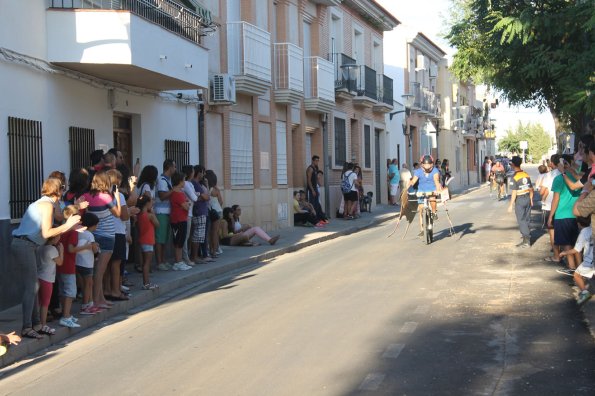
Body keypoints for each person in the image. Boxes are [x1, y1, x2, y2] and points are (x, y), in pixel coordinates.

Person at [11, 178, 81, 339]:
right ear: (59, 191)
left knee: (34, 286)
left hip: (27, 245)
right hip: (25, 245)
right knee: (32, 287)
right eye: (63, 189)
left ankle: (36, 324)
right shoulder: (48, 205)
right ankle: (27, 327)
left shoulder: (42, 203)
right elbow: (47, 233)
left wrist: (69, 221)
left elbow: (54, 222)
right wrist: (68, 225)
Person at [82, 171, 121, 310]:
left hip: (93, 234)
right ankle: (97, 300)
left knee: (95, 269)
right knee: (100, 271)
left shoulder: (86, 196)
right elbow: (118, 214)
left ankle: (100, 298)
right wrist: (117, 197)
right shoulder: (106, 197)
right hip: (108, 236)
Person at [548, 154, 581, 270]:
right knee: (576, 243)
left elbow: (555, 199)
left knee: (567, 244)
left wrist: (551, 216)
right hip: (576, 214)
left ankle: (572, 267)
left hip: (562, 215)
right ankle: (579, 268)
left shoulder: (559, 179)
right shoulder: (578, 178)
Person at [559, 216, 593, 305]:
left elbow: (576, 250)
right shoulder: (592, 228)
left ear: (578, 224)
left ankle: (585, 293)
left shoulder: (583, 233)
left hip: (589, 260)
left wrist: (564, 253)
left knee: (576, 275)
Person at [58, 205, 81, 328]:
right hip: (69, 265)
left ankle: (65, 314)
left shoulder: (61, 230)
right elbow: (71, 249)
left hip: (60, 264)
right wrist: (85, 247)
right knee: (71, 291)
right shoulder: (73, 232)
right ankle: (66, 316)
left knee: (63, 290)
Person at [407, 155, 443, 235]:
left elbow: (436, 181)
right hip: (421, 191)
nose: (427, 168)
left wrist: (437, 190)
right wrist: (408, 185)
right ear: (422, 164)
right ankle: (422, 229)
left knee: (432, 199)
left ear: (432, 164)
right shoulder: (418, 171)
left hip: (432, 190)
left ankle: (434, 213)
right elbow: (413, 180)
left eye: (429, 166)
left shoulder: (435, 171)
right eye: (425, 166)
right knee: (421, 210)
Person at [37, 235, 64, 336]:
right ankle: (43, 324)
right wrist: (61, 251)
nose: (59, 239)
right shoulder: (52, 249)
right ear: (53, 238)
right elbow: (60, 262)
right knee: (45, 303)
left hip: (39, 276)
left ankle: (37, 323)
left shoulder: (40, 247)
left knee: (39, 302)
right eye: (58, 236)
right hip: (47, 278)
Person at [75, 213, 101, 315]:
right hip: (87, 263)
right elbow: (94, 249)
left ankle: (90, 304)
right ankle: (85, 306)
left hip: (78, 262)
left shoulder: (78, 232)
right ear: (92, 225)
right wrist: (97, 249)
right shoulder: (89, 235)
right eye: (96, 225)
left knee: (84, 284)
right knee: (88, 284)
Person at [154, 159, 176, 271]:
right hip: (161, 212)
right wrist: (174, 191)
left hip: (167, 212)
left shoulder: (168, 180)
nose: (175, 169)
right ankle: (159, 262)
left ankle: (163, 260)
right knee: (160, 239)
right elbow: (162, 196)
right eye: (174, 167)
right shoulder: (162, 180)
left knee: (164, 239)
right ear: (169, 167)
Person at [508, 156, 534, 248]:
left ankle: (527, 240)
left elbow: (514, 192)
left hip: (520, 200)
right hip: (527, 198)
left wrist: (511, 205)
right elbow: (531, 188)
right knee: (527, 219)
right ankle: (525, 238)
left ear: (513, 164)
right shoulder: (525, 174)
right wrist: (531, 198)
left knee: (521, 220)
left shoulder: (514, 177)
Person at [541, 154, 562, 262]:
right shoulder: (567, 174)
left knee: (552, 232)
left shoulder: (549, 175)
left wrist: (543, 197)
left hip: (550, 206)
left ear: (552, 163)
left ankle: (556, 255)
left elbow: (542, 191)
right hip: (563, 208)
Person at [136, 195, 159, 290]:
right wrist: (153, 213)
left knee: (144, 262)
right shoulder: (150, 215)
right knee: (147, 263)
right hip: (148, 240)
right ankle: (146, 283)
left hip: (142, 240)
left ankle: (146, 283)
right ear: (147, 204)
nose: (152, 204)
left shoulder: (139, 215)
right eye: (151, 202)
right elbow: (157, 224)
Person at [169, 172, 192, 271]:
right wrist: (188, 203)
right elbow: (186, 206)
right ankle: (178, 262)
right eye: (183, 180)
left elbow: (186, 204)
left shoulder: (180, 192)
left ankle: (179, 261)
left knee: (181, 241)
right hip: (178, 220)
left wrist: (187, 203)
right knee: (178, 241)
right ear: (179, 181)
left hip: (181, 219)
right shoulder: (177, 194)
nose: (184, 182)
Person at [205, 170, 224, 256]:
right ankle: (215, 250)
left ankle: (209, 249)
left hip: (209, 211)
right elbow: (221, 201)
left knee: (209, 232)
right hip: (218, 211)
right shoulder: (216, 190)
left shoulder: (206, 189)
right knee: (215, 232)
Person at [306, 155, 326, 223]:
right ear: (313, 161)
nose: (317, 162)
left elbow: (316, 178)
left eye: (318, 161)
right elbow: (309, 180)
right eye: (316, 161)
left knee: (317, 204)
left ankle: (318, 219)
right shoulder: (310, 169)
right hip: (311, 189)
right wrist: (312, 190)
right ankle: (313, 220)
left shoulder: (316, 168)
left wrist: (319, 184)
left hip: (315, 188)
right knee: (312, 205)